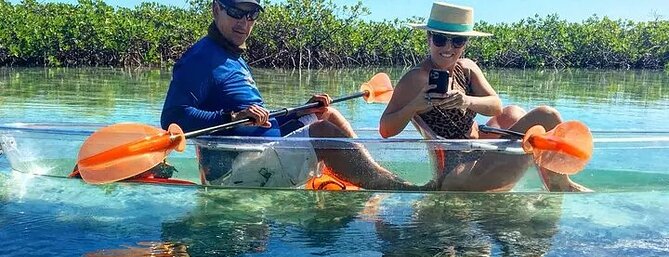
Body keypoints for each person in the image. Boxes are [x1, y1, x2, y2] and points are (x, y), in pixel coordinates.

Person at [161, 0, 415, 190]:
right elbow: (173, 117)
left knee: (324, 114)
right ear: (216, 9)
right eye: (236, 12)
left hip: (261, 150)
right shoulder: (200, 59)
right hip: (234, 171)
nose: (244, 22)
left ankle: (376, 175)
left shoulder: (232, 55)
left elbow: (259, 120)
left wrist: (301, 111)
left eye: (252, 15)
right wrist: (232, 115)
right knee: (322, 132)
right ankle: (387, 186)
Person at [379, 2, 589, 192]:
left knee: (513, 112)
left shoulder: (467, 68)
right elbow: (385, 129)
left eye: (457, 41)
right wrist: (414, 106)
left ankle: (556, 183)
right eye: (440, 39)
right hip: (458, 173)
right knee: (546, 115)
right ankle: (561, 186)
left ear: (465, 43)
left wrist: (466, 100)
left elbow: (496, 106)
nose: (448, 48)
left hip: (476, 151)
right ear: (429, 38)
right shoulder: (415, 78)